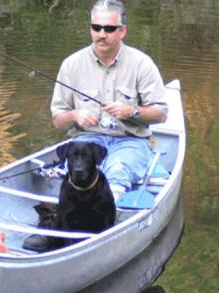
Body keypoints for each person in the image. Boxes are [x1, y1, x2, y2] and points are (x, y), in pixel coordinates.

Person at [51, 0, 168, 201]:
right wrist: (75, 115)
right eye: (96, 28)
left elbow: (161, 114)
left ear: (122, 31)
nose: (101, 34)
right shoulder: (71, 65)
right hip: (87, 141)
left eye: (109, 29)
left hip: (131, 140)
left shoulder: (142, 64)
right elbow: (58, 120)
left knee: (117, 170)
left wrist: (132, 112)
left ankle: (109, 215)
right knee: (80, 172)